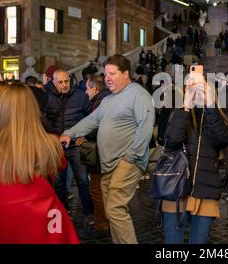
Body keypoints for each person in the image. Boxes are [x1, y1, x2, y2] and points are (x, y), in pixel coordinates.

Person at [60, 55, 155, 244]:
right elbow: (91, 121)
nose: (108, 78)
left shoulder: (139, 94)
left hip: (127, 162)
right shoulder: (109, 99)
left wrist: (130, 157)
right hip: (108, 164)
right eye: (106, 74)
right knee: (109, 210)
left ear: (126, 74)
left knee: (114, 208)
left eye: (112, 73)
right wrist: (70, 132)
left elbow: (145, 128)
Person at [0, 83, 78, 244]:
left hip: (6, 225)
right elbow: (60, 165)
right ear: (33, 109)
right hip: (49, 223)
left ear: (0, 111)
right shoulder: (50, 144)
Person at [161, 71, 228, 244]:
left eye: (201, 86)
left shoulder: (217, 116)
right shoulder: (179, 114)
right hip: (175, 189)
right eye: (192, 85)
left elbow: (222, 139)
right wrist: (185, 107)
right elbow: (170, 141)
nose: (196, 90)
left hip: (205, 190)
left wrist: (210, 105)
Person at [44, 70, 94, 221]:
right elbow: (44, 120)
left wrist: (85, 136)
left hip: (76, 145)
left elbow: (91, 118)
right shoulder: (47, 97)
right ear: (54, 83)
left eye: (66, 81)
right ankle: (61, 213)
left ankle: (88, 213)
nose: (64, 85)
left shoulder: (80, 96)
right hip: (56, 146)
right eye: (60, 82)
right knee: (59, 182)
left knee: (83, 180)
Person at [76, 75, 111, 239]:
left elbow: (98, 125)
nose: (85, 92)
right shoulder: (104, 99)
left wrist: (85, 133)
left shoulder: (100, 102)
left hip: (100, 153)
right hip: (103, 151)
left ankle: (101, 225)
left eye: (87, 88)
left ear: (95, 89)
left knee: (96, 189)